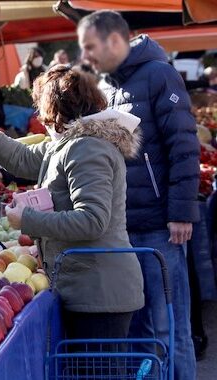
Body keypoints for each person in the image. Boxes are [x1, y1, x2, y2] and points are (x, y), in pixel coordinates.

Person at [0, 65, 145, 344]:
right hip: (86, 286)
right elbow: (21, 157)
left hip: (99, 292)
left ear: (55, 108)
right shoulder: (69, 144)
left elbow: (92, 220)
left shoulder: (87, 148)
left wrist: (28, 219)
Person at [78, 11, 200, 380]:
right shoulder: (111, 84)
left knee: (168, 327)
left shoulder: (160, 75)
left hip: (160, 227)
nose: (87, 56)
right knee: (142, 331)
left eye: (90, 47)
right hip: (126, 228)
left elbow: (184, 146)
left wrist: (181, 212)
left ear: (114, 40)